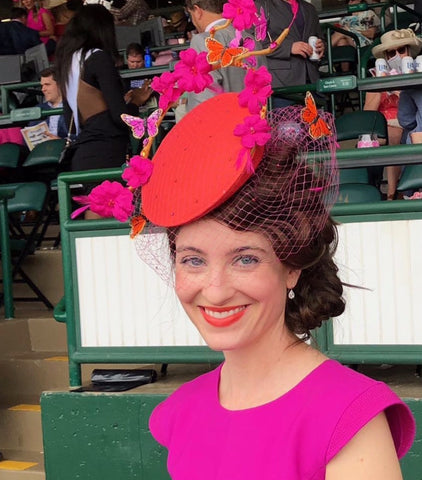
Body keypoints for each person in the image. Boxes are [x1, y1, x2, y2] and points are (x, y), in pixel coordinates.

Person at [83, 2, 415, 474]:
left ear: (292, 264)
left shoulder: (347, 416)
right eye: (193, 260)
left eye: (245, 259)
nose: (214, 290)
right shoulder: (183, 411)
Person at [55, 5, 151, 176]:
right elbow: (119, 117)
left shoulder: (68, 64)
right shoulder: (98, 58)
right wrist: (135, 102)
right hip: (107, 153)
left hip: (82, 155)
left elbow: (72, 117)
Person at [372, 29, 422, 197]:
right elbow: (368, 113)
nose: (398, 56)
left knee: (408, 133)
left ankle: (404, 192)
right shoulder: (378, 76)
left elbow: (407, 119)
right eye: (392, 52)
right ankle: (395, 193)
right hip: (387, 121)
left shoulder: (414, 77)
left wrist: (401, 91)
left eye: (401, 50)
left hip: (408, 125)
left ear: (408, 51)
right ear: (386, 57)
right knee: (397, 132)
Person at [184, 0, 251, 113]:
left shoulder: (202, 41)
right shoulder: (251, 39)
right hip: (255, 123)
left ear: (197, 11)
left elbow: (203, 102)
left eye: (191, 15)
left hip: (224, 125)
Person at [255, 0, 324, 107]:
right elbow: (256, 43)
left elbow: (320, 37)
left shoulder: (309, 9)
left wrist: (322, 46)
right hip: (281, 83)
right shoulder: (262, 5)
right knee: (285, 123)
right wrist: (289, 47)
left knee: (317, 122)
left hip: (312, 81)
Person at [28, 67, 67, 139]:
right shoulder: (38, 109)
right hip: (42, 149)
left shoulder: (73, 107)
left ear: (60, 85)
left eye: (47, 84)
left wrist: (61, 142)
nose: (43, 89)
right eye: (42, 85)